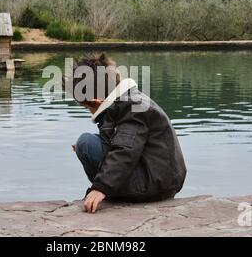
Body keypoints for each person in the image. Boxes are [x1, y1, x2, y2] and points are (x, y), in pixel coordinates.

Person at [65, 53, 186, 213]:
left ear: (96, 101)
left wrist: (101, 187)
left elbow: (125, 150)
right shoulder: (129, 102)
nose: (89, 111)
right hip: (158, 182)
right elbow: (124, 141)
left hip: (149, 185)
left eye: (87, 107)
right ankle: (106, 189)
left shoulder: (131, 107)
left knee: (85, 142)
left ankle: (104, 193)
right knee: (88, 144)